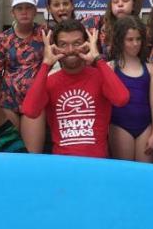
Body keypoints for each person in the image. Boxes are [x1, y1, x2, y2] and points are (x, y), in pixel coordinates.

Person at [21, 18, 130, 157]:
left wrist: (97, 59)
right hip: (62, 164)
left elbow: (122, 99)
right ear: (55, 47)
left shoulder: (101, 75)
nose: (70, 50)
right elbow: (30, 111)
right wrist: (46, 64)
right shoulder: (49, 81)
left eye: (76, 43)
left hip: (97, 164)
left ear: (86, 44)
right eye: (63, 44)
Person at [0, 0, 46, 153]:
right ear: (13, 12)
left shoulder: (45, 33)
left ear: (35, 11)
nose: (24, 12)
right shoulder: (3, 38)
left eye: (28, 8)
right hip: (8, 99)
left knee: (33, 154)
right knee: (10, 153)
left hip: (34, 98)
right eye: (19, 8)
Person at [108, 16, 153, 162]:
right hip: (119, 126)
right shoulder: (110, 68)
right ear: (120, 41)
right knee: (125, 173)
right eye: (129, 40)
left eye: (138, 39)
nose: (135, 44)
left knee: (145, 172)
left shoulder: (149, 69)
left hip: (145, 127)